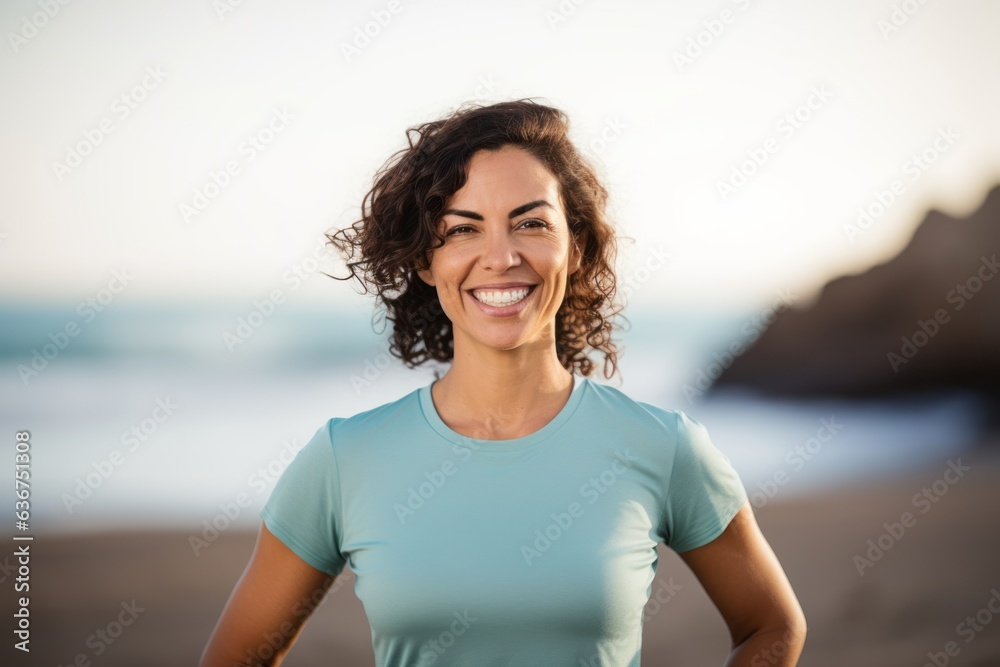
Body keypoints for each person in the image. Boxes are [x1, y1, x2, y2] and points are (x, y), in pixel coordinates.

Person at [200, 99, 807, 666]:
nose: (500, 256)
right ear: (424, 258)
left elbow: (772, 625)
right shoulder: (344, 459)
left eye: (530, 224)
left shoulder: (663, 446)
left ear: (576, 246)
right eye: (463, 229)